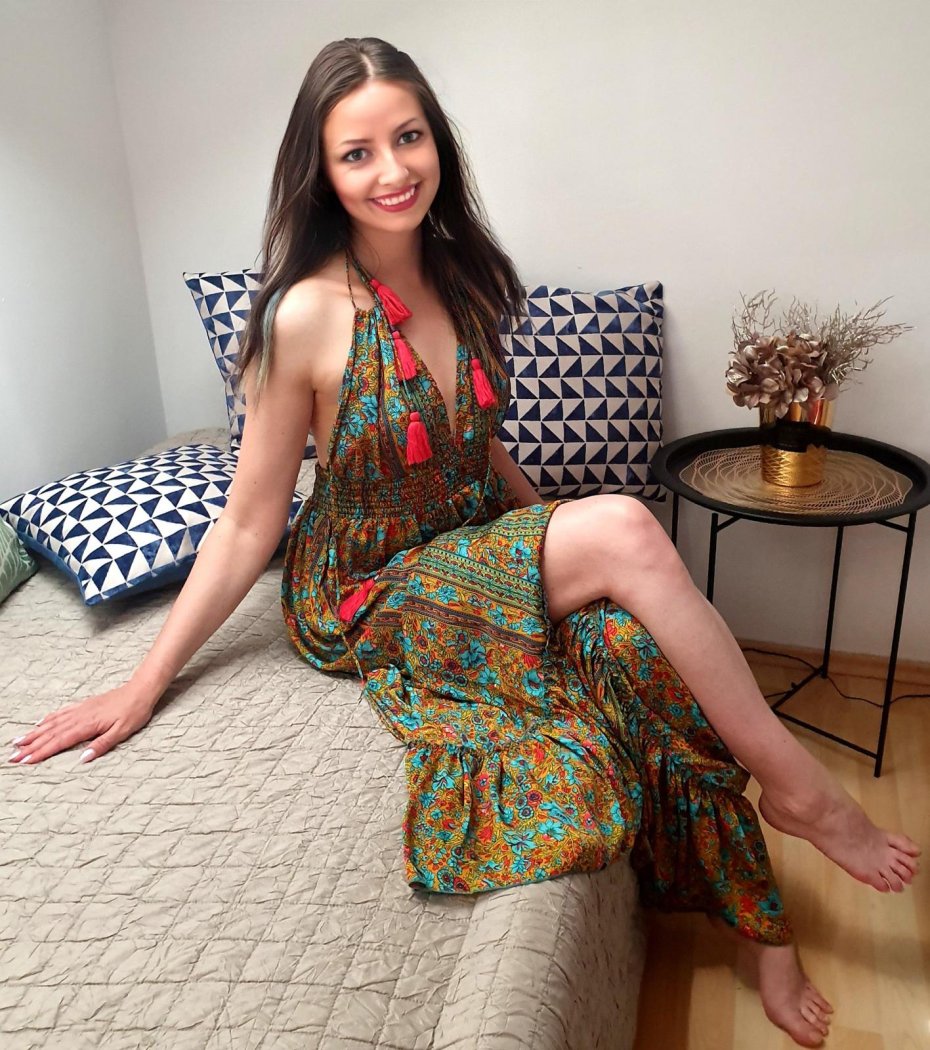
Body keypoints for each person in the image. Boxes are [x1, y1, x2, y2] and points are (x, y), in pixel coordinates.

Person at [9, 36, 919, 1048]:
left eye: (408, 138)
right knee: (624, 525)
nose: (392, 171)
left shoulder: (465, 275)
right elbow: (248, 521)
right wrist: (142, 686)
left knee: (631, 646)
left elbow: (476, 445)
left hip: (468, 544)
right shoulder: (301, 316)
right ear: (321, 172)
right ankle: (801, 790)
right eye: (357, 153)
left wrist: (546, 538)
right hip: (367, 589)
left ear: (437, 140)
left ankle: (760, 922)